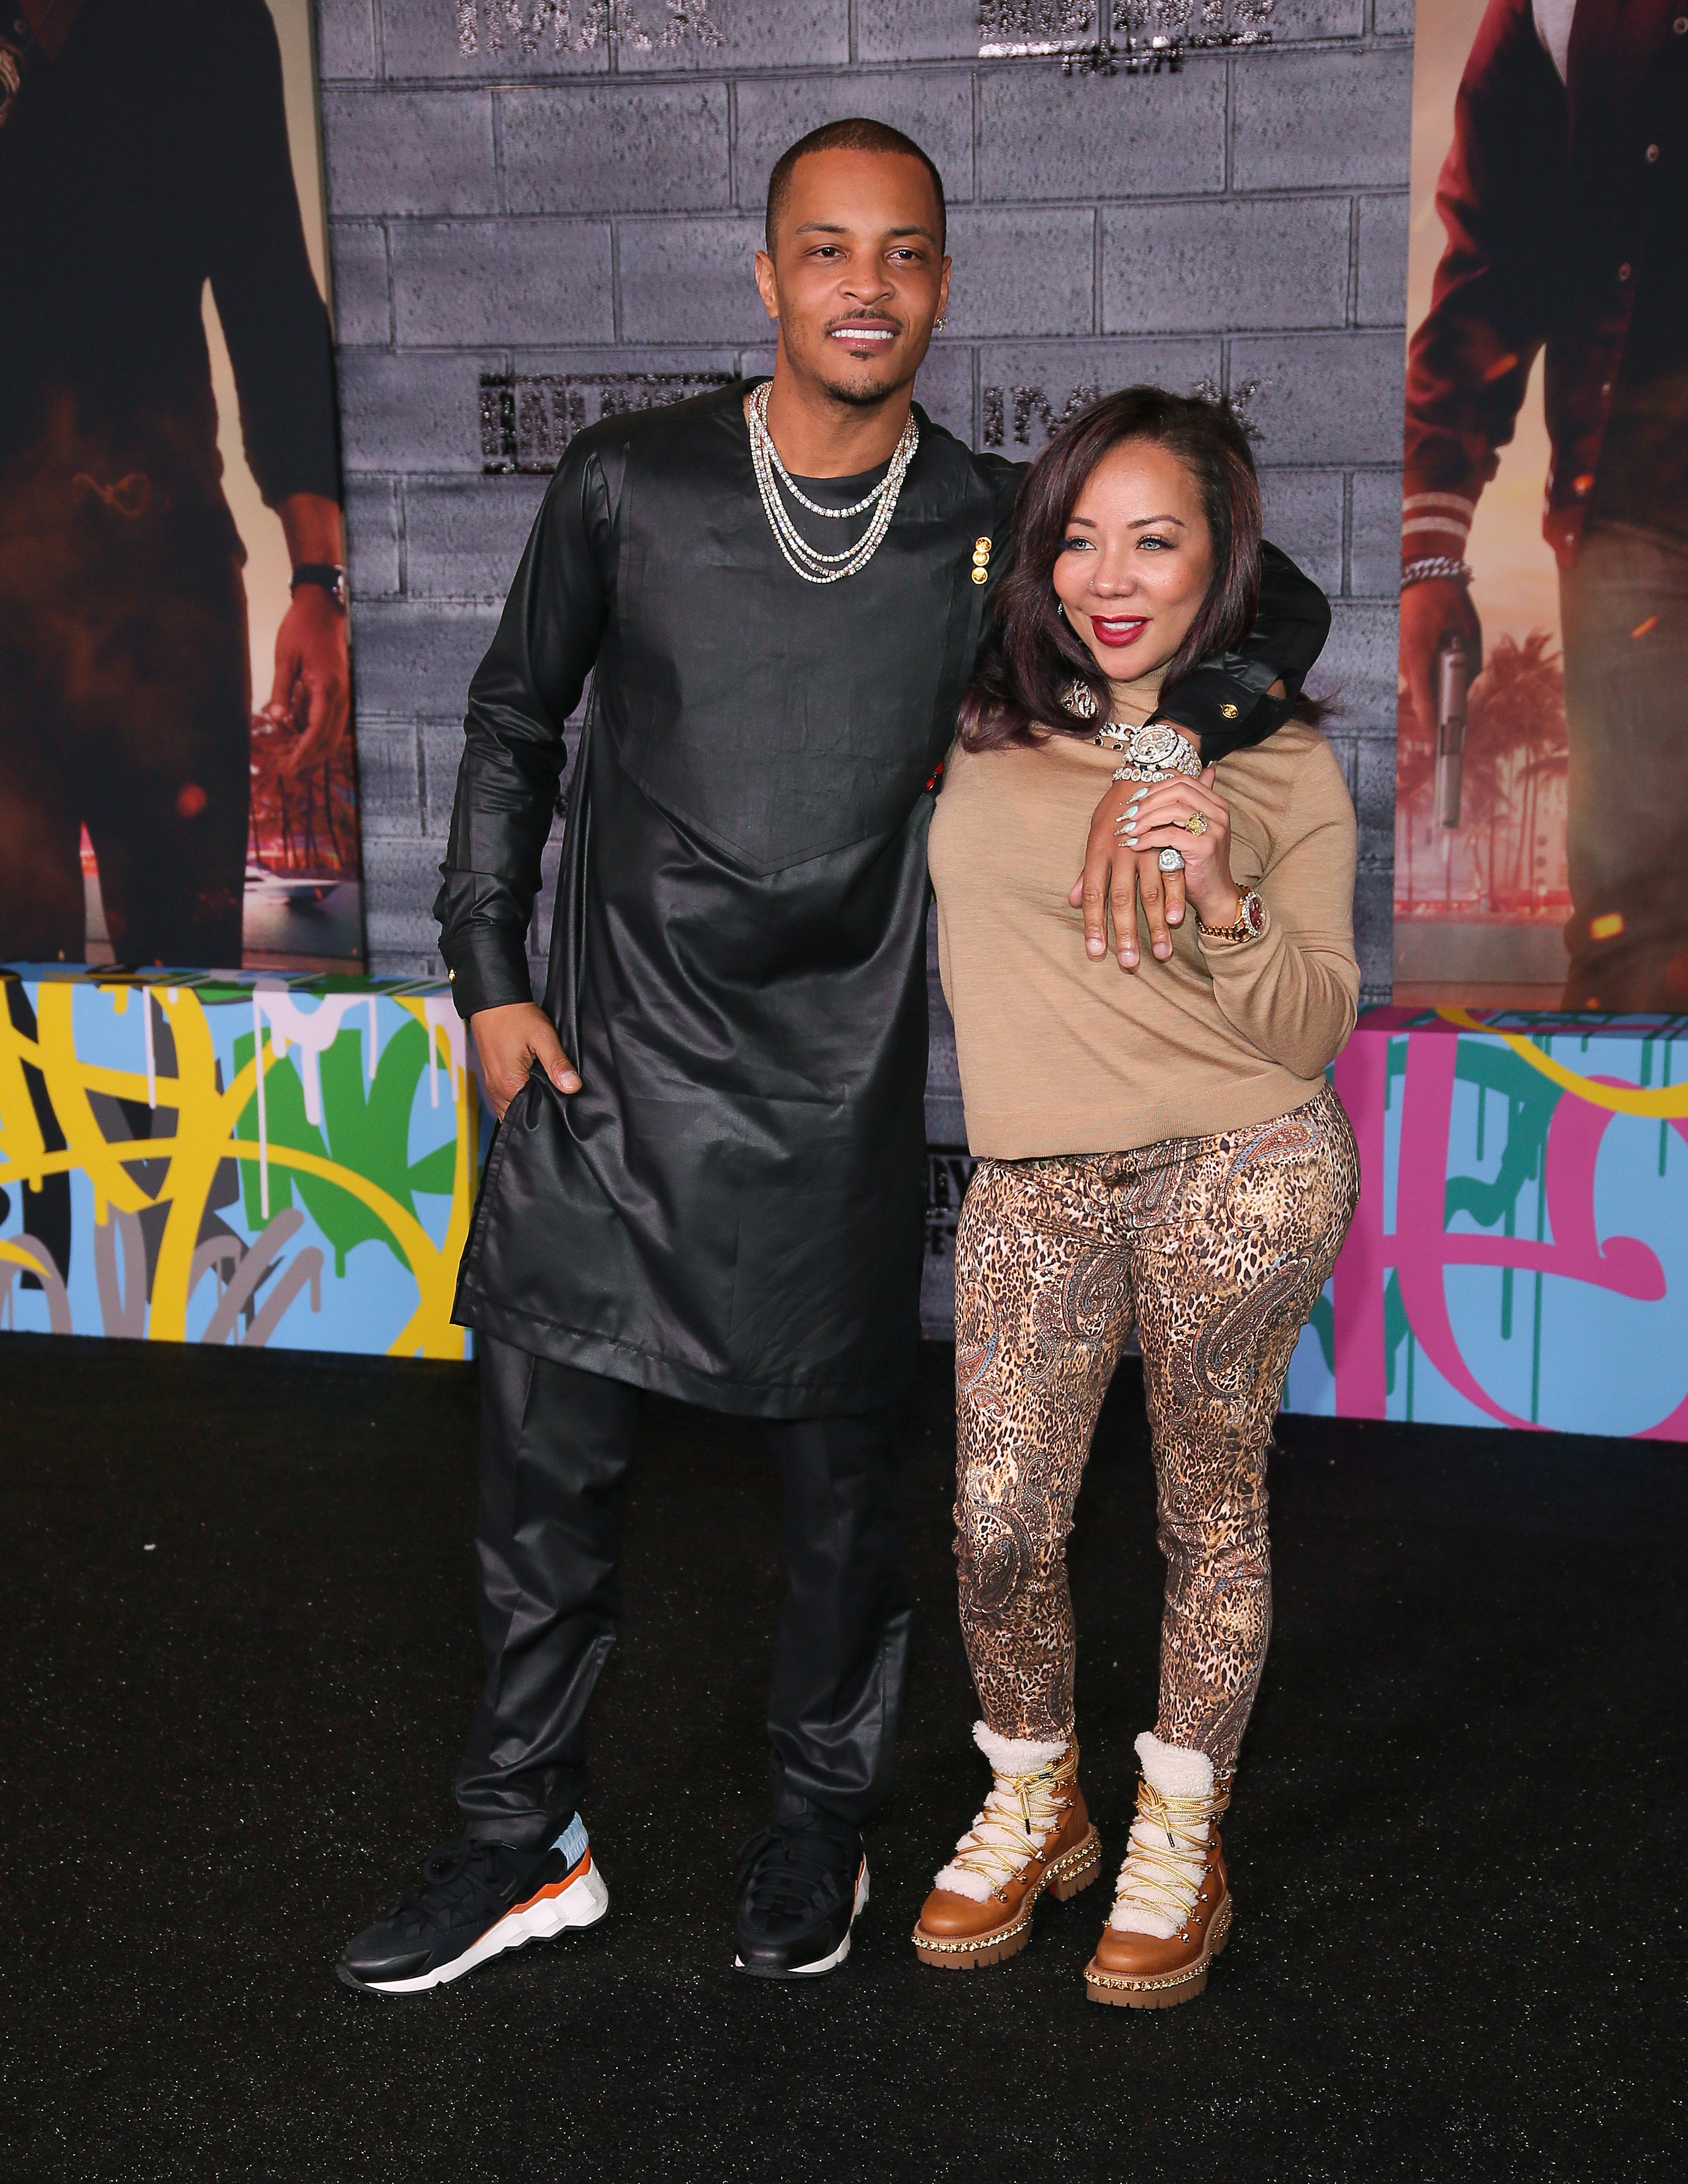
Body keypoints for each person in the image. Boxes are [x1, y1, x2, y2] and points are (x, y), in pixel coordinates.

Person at [337, 122, 1331, 1997]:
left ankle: (816, 1819)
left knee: (838, 1508)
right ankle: (516, 1835)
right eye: (824, 251)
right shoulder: (628, 485)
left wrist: (1177, 741)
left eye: (900, 255)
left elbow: (1268, 608)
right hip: (600, 1064)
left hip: (823, 1090)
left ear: (940, 284)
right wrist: (482, 968)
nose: (861, 286)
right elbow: (507, 717)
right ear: (769, 273)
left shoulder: (985, 530)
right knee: (540, 1492)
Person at [915, 388, 1359, 2008]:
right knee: (998, 1520)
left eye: (1155, 540)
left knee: (1204, 1506)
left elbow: (1313, 1021)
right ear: (1038, 558)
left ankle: (1182, 1824)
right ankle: (1037, 1794)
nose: (1114, 576)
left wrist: (1224, 885)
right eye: (1083, 538)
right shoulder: (975, 718)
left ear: (1214, 562)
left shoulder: (1283, 753)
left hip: (1240, 1156)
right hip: (1037, 1174)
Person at [0, 0, 348, 972]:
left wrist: (319, 586)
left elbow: (273, 297)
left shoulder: (204, 26)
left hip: (164, 586)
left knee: (185, 1000)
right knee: (8, 1031)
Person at [1401, 0, 1688, 1007]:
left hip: (1628, 518)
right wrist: (1432, 545)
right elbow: (1488, 259)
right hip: (1636, 516)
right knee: (1632, 931)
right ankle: (1624, 1160)